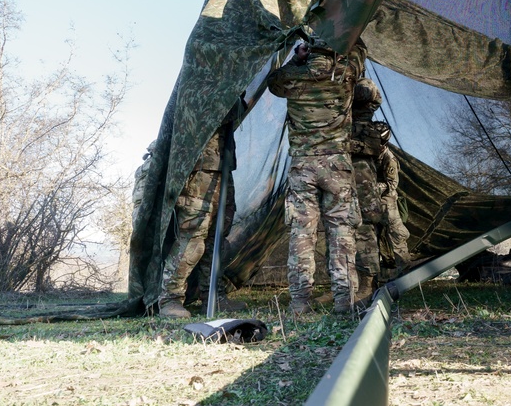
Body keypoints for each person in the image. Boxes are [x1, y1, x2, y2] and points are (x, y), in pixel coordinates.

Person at [267, 37, 364, 314]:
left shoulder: (291, 78)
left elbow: (274, 81)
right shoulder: (345, 73)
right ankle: (345, 302)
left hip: (303, 165)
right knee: (342, 232)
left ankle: (299, 303)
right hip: (337, 165)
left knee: (302, 234)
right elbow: (360, 51)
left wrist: (298, 59)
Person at [158, 114, 246, 319]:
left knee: (218, 236)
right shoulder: (201, 84)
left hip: (222, 167)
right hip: (198, 169)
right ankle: (170, 298)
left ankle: (213, 295)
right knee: (193, 237)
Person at [349, 77, 411, 302]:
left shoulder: (388, 158)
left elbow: (392, 185)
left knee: (393, 234)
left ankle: (397, 273)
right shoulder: (341, 115)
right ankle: (355, 282)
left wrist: (378, 187)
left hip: (385, 199)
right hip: (358, 187)